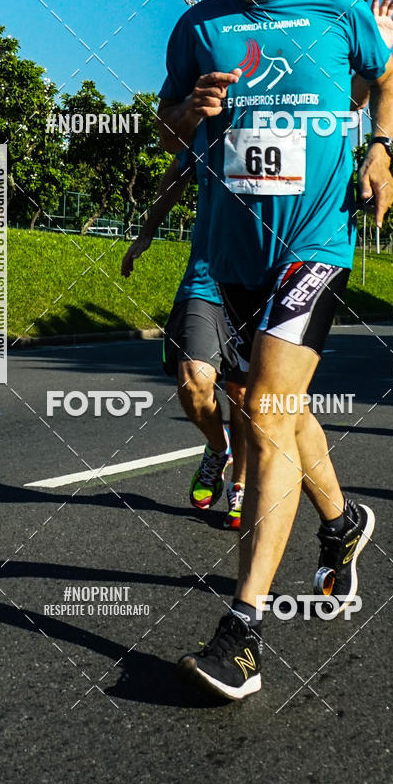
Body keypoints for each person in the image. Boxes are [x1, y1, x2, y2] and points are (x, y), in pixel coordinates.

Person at [156, 0, 393, 700]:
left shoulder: (337, 10)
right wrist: (191, 109)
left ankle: (245, 630)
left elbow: (389, 80)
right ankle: (341, 522)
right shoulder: (200, 26)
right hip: (223, 254)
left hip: (312, 247)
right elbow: (169, 119)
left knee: (266, 411)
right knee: (231, 393)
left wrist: (380, 146)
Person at [121, 135, 248, 529]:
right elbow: (174, 177)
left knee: (244, 395)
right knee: (193, 382)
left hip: (263, 284)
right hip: (206, 281)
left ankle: (241, 485)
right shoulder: (212, 130)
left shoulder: (292, 119)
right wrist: (146, 232)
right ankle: (216, 446)